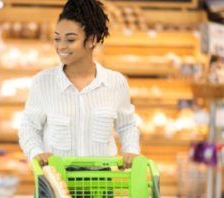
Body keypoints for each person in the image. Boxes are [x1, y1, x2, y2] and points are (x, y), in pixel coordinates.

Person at [19, 0, 140, 170]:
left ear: (91, 40)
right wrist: (36, 151)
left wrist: (131, 150)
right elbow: (29, 127)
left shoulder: (116, 82)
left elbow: (127, 125)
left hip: (100, 184)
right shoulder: (43, 82)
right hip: (56, 181)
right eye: (57, 38)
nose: (61, 46)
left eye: (70, 39)